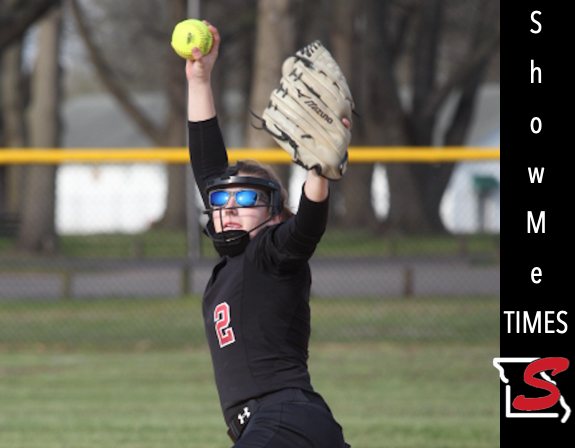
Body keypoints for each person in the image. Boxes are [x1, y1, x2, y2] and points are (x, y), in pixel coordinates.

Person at [186, 21, 351, 448]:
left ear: (276, 214)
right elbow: (208, 166)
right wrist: (200, 79)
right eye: (223, 202)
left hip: (282, 418)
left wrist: (318, 172)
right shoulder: (233, 263)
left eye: (247, 200)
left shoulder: (271, 253)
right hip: (286, 424)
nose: (232, 210)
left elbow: (307, 229)